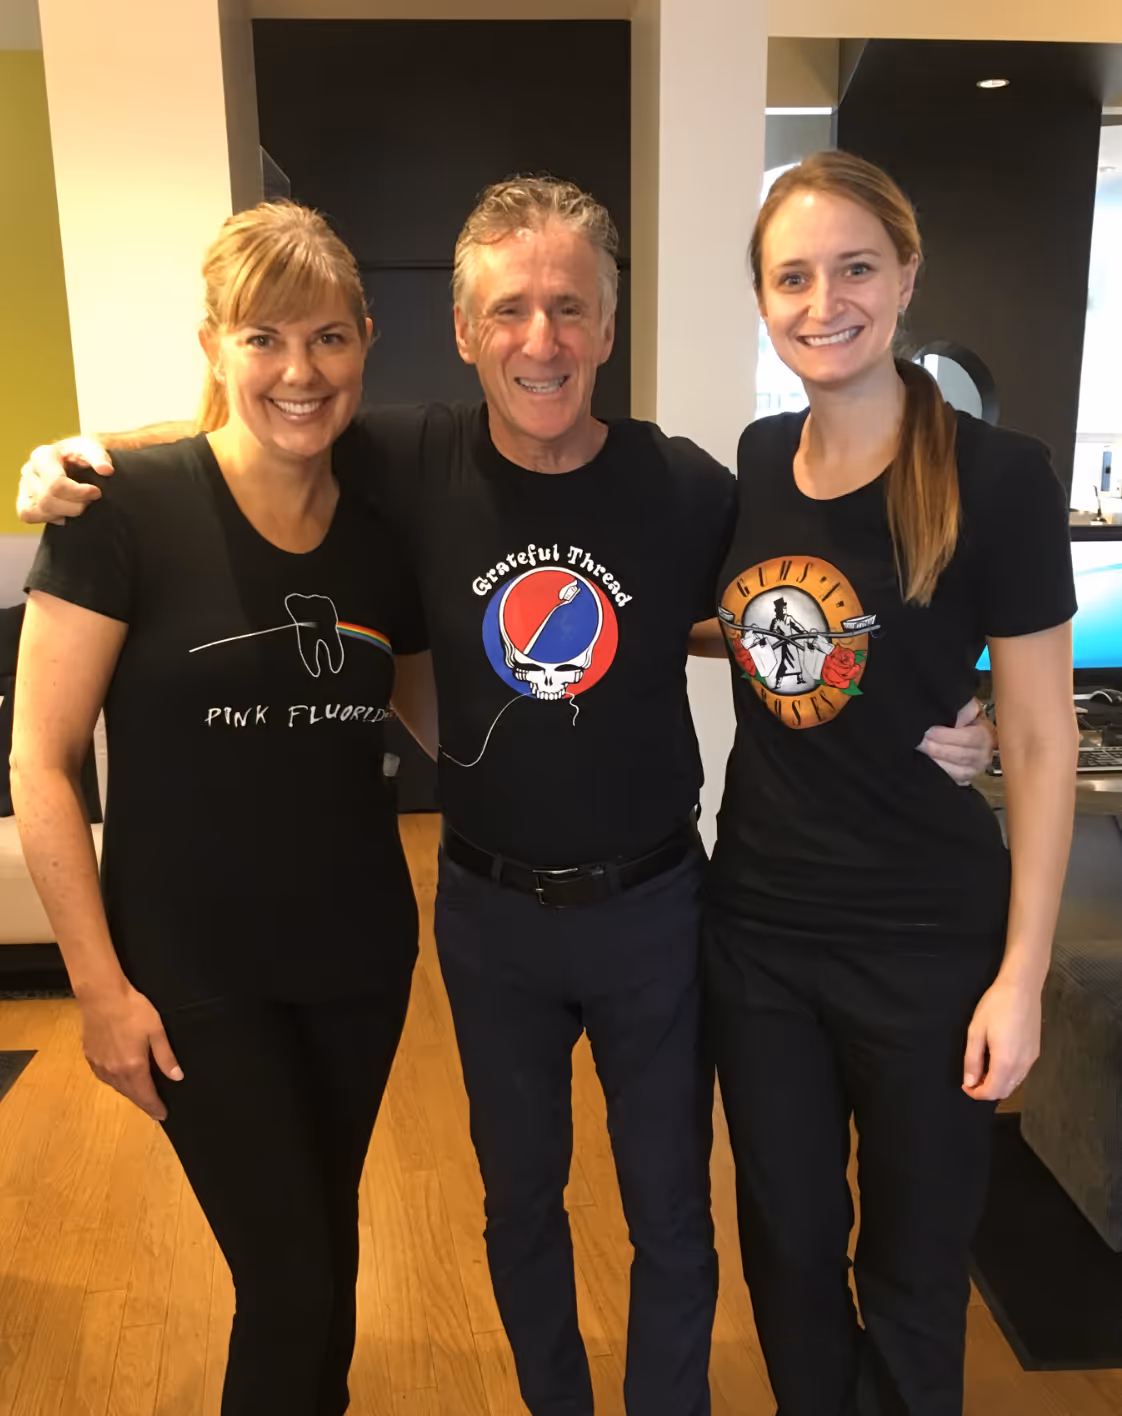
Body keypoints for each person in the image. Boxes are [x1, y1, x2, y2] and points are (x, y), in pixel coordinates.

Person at [15, 176, 996, 1416]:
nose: (543, 339)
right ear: (465, 331)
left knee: (671, 1212)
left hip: (654, 910)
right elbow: (261, 423)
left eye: (570, 307)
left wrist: (937, 706)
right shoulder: (411, 457)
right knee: (519, 1204)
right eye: (511, 311)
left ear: (608, 326)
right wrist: (80, 456)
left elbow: (795, 589)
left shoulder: (686, 484)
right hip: (490, 916)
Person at [10, 201, 433, 1416]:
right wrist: (97, 988)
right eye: (263, 339)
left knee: (323, 1247)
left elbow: (442, 718)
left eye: (328, 338)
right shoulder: (120, 509)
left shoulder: (384, 528)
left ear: (366, 340)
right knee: (291, 1279)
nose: (300, 371)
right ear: (214, 345)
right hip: (193, 967)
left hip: (356, 957)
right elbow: (41, 761)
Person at [698, 151, 1078, 1416]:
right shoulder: (760, 459)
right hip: (758, 937)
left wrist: (1022, 978)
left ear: (907, 276)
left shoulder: (999, 476)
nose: (825, 303)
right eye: (793, 278)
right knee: (790, 1250)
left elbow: (1040, 738)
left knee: (915, 1265)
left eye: (855, 268)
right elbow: (764, 621)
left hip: (928, 946)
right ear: (764, 298)